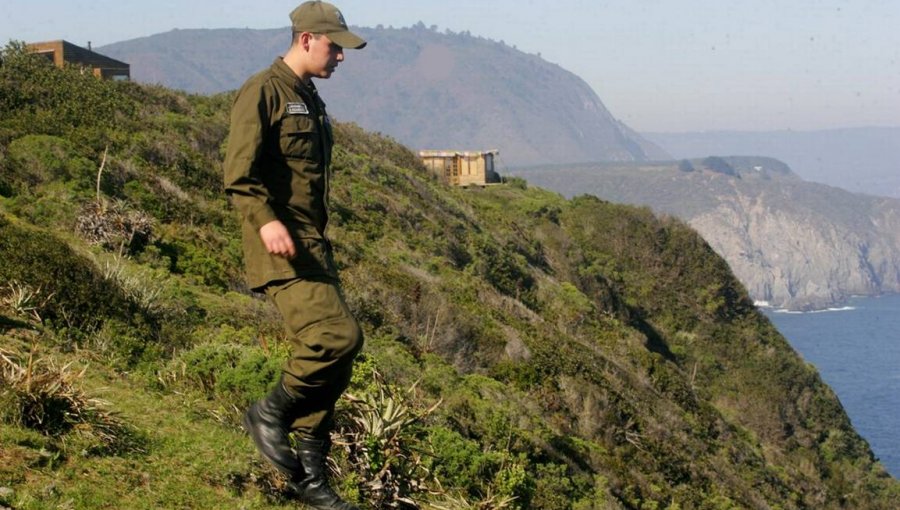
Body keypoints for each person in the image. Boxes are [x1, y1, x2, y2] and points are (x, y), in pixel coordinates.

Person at [222, 2, 366, 509]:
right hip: (279, 247)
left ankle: (310, 478)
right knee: (335, 336)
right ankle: (269, 412)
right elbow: (238, 174)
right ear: (306, 38)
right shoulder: (263, 90)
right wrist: (268, 223)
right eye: (334, 46)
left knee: (343, 354)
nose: (341, 58)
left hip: (311, 245)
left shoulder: (310, 98)